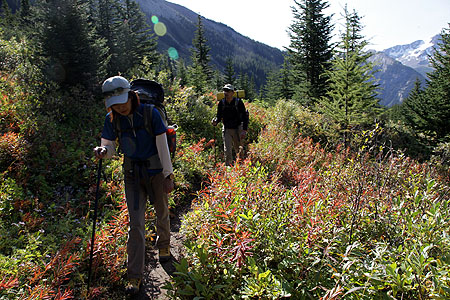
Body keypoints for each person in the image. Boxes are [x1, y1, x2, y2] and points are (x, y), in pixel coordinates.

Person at [93, 75, 174, 295]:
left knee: (161, 210)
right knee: (135, 223)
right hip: (131, 173)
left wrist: (168, 175)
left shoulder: (151, 113)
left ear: (131, 95)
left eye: (122, 102)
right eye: (114, 104)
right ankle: (134, 275)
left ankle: (164, 244)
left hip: (156, 171)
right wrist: (104, 152)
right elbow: (109, 146)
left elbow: (162, 145)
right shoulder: (112, 119)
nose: (119, 107)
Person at [212, 84, 249, 166]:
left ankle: (241, 166)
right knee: (227, 150)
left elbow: (244, 117)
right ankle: (228, 168)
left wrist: (244, 130)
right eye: (225, 90)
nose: (226, 92)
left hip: (237, 128)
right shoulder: (222, 103)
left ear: (233, 92)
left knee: (238, 149)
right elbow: (219, 116)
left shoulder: (238, 102)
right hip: (227, 129)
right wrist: (215, 121)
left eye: (228, 91)